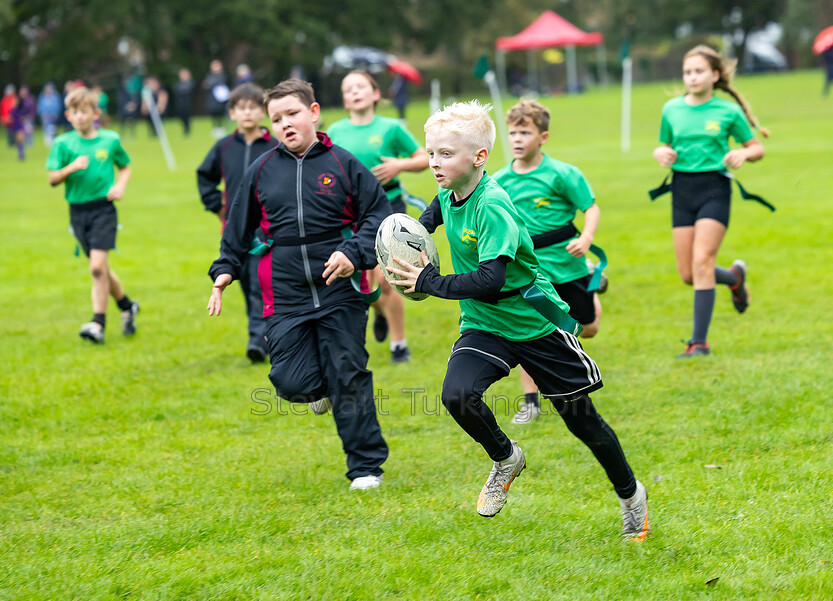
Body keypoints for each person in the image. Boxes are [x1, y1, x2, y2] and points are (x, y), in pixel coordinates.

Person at [387, 100, 648, 539]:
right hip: (485, 324)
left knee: (583, 421)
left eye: (445, 154)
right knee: (458, 395)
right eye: (431, 153)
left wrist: (430, 282)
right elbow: (416, 229)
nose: (433, 162)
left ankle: (630, 494)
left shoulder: (492, 205)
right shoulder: (449, 195)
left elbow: (491, 278)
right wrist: (374, 253)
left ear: (479, 157)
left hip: (534, 324)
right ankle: (506, 457)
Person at [207, 79, 391, 490]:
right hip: (284, 290)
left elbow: (377, 218)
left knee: (348, 372)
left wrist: (353, 253)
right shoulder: (260, 171)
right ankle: (317, 388)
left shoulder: (345, 164)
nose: (285, 124)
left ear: (313, 113)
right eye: (277, 119)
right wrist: (224, 270)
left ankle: (365, 467)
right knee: (291, 382)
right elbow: (237, 228)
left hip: (340, 287)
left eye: (292, 114)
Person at [493, 99, 605, 424]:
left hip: (568, 264)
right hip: (529, 272)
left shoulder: (563, 174)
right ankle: (531, 402)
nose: (516, 139)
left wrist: (586, 238)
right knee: (531, 332)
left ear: (543, 137)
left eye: (524, 132)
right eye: (512, 132)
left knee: (589, 328)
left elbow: (591, 207)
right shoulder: (500, 181)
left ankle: (594, 289)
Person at [652, 45, 767, 358]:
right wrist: (660, 153)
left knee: (702, 262)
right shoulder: (671, 109)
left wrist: (743, 153)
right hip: (681, 190)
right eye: (688, 71)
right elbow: (663, 145)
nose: (692, 77)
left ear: (715, 75)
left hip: (714, 188)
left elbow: (756, 148)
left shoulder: (728, 112)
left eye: (699, 71)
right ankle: (734, 278)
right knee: (689, 273)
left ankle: (698, 343)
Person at [326, 71, 428, 363]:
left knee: (387, 279)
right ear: (344, 99)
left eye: (361, 86)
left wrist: (399, 165)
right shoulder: (335, 131)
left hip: (389, 206)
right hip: (351, 212)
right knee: (366, 280)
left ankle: (399, 346)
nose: (355, 92)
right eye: (349, 88)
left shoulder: (391, 127)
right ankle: (379, 310)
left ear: (375, 94)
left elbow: (423, 158)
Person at [45, 86, 139, 344]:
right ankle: (127, 306)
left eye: (85, 111)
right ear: (68, 114)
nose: (80, 117)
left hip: (103, 209)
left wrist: (119, 186)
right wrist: (71, 168)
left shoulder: (110, 140)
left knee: (96, 267)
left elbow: (125, 166)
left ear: (95, 113)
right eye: (75, 112)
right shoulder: (63, 143)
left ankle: (98, 323)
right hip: (77, 212)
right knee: (102, 269)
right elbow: (52, 179)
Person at [197, 82, 277, 362]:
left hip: (265, 229)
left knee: (258, 282)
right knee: (241, 280)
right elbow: (204, 176)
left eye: (253, 108)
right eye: (241, 108)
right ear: (232, 113)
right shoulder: (224, 146)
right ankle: (261, 332)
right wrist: (217, 207)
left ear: (263, 112)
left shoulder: (274, 146)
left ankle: (258, 339)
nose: (247, 114)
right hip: (234, 228)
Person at [203, 59, 229, 138]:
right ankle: (215, 127)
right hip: (212, 99)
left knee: (221, 112)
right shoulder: (209, 76)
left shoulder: (223, 76)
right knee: (213, 112)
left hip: (221, 99)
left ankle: (221, 127)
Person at [174, 68, 195, 137]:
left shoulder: (190, 82)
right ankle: (185, 129)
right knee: (182, 117)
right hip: (180, 103)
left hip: (188, 103)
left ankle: (188, 129)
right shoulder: (178, 83)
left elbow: (188, 90)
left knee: (188, 116)